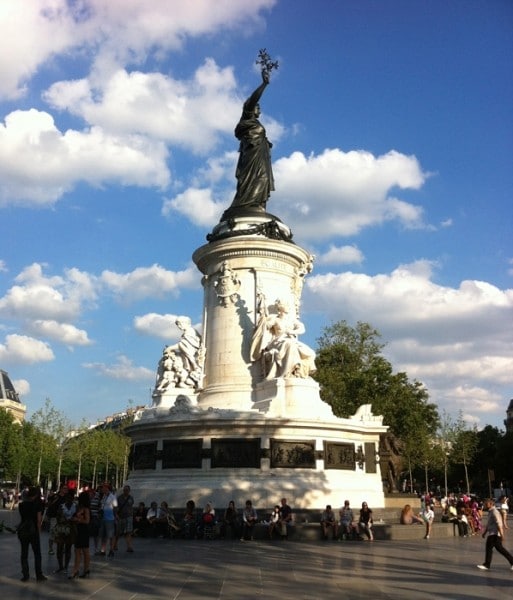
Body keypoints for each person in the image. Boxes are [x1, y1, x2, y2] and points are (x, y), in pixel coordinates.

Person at [227, 69, 274, 214]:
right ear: (250, 109)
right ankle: (245, 204)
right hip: (251, 157)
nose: (259, 111)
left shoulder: (255, 123)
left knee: (264, 179)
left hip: (261, 158)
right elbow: (253, 99)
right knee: (254, 180)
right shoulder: (247, 119)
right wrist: (264, 84)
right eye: (257, 108)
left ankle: (257, 205)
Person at [251, 298, 316, 379]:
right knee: (290, 345)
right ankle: (286, 373)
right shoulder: (275, 319)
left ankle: (300, 372)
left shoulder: (292, 320)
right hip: (278, 341)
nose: (288, 307)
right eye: (286, 305)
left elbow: (302, 329)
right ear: (281, 308)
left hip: (291, 340)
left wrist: (291, 332)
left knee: (310, 353)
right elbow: (264, 327)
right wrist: (262, 317)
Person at [18, 486, 47, 582]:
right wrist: (38, 531)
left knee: (24, 553)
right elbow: (39, 520)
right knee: (37, 554)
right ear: (36, 494)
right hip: (33, 531)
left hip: (23, 531)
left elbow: (23, 518)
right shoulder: (37, 505)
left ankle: (25, 575)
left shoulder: (21, 505)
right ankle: (39, 575)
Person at [477, 498, 513, 571]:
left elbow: (499, 524)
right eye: (485, 503)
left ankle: (487, 564)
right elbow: (489, 524)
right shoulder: (491, 512)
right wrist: (484, 532)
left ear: (491, 504)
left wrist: (502, 535)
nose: (485, 505)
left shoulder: (494, 512)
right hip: (493, 533)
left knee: (489, 548)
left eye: (486, 503)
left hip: (495, 534)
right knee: (500, 549)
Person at [53, 490, 77, 574]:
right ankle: (61, 566)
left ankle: (65, 567)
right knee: (60, 548)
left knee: (68, 548)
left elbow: (76, 517)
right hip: (61, 529)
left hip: (70, 529)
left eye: (71, 498)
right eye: (68, 498)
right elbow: (57, 517)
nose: (69, 499)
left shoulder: (75, 507)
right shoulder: (61, 506)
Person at [69, 490, 91, 579]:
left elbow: (87, 521)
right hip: (79, 530)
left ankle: (80, 569)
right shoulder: (79, 508)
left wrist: (77, 520)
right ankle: (81, 569)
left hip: (83, 530)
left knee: (82, 550)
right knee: (80, 550)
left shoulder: (86, 509)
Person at [46, 483, 68, 555]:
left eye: (66, 488)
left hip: (63, 518)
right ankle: (50, 548)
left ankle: (62, 548)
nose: (66, 490)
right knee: (53, 533)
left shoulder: (67, 498)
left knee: (63, 533)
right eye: (64, 488)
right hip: (55, 517)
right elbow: (49, 505)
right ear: (61, 489)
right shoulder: (56, 496)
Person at [98, 482, 117, 557]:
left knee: (110, 535)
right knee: (103, 535)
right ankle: (103, 550)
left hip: (110, 518)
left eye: (103, 487)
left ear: (107, 488)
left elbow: (115, 507)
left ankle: (111, 550)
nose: (102, 489)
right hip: (103, 518)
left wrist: (115, 517)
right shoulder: (103, 496)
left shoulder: (112, 497)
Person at [114, 485, 134, 552]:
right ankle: (115, 544)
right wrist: (116, 514)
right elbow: (116, 507)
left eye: (127, 490)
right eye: (125, 490)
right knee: (118, 532)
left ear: (129, 491)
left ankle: (129, 546)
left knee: (128, 532)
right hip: (121, 517)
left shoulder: (131, 498)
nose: (126, 491)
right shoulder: (119, 498)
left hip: (129, 516)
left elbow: (131, 506)